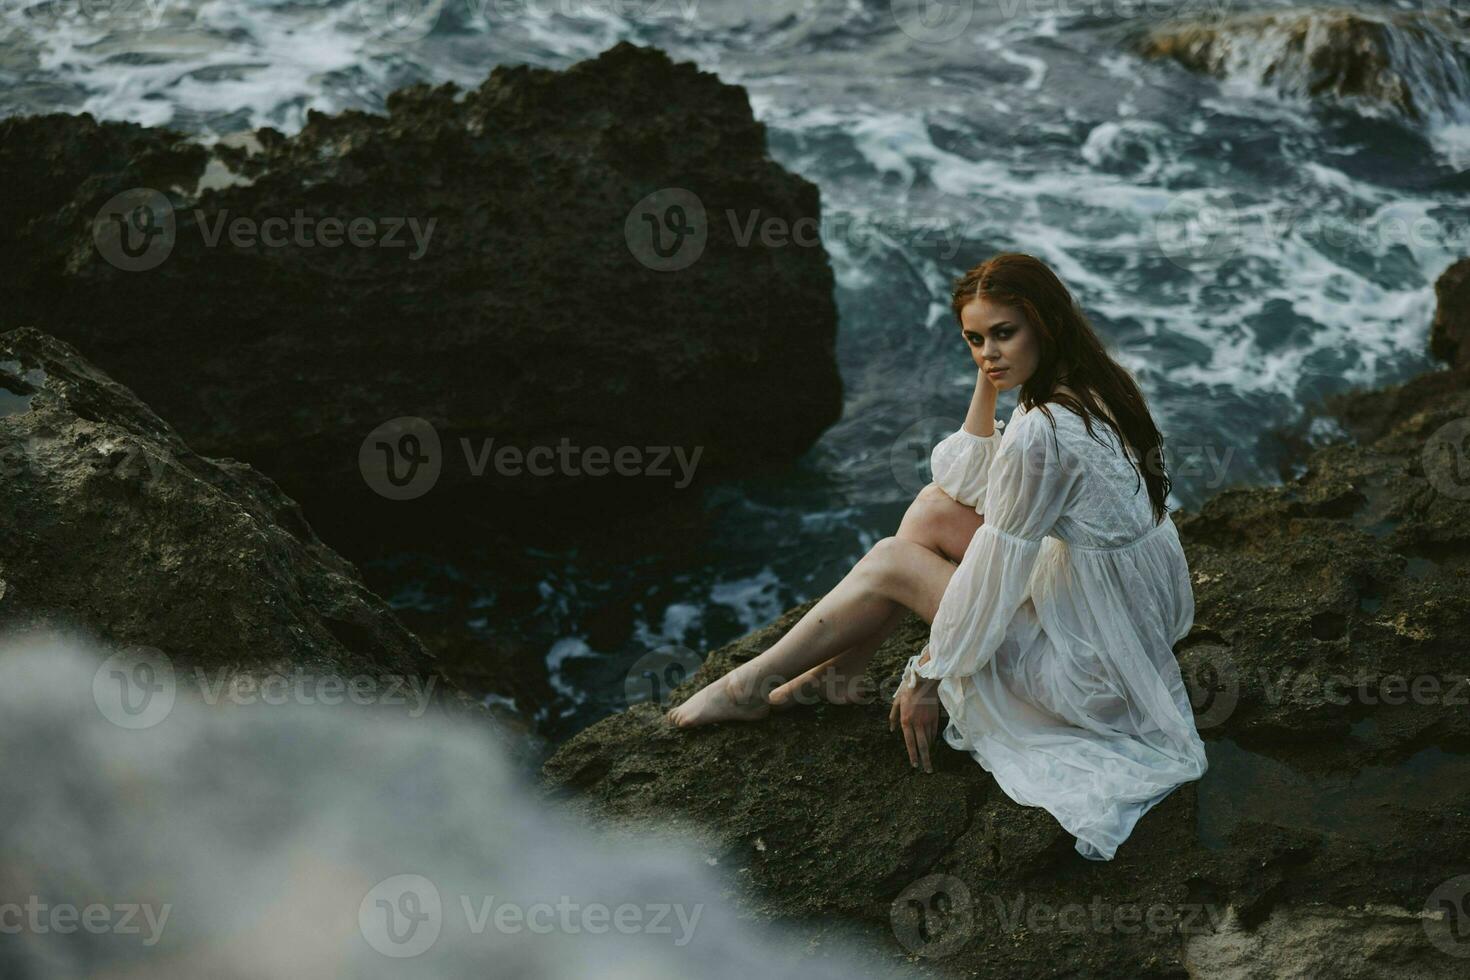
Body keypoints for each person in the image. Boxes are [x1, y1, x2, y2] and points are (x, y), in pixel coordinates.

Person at [665, 252, 1207, 861]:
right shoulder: (1095, 383)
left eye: (1005, 334)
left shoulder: (1044, 430)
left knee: (894, 561)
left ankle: (749, 686)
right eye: (974, 340)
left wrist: (932, 669)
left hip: (1090, 675)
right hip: (1114, 624)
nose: (987, 353)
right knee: (929, 508)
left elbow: (996, 577)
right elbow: (965, 477)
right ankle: (841, 672)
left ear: (1047, 324)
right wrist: (991, 378)